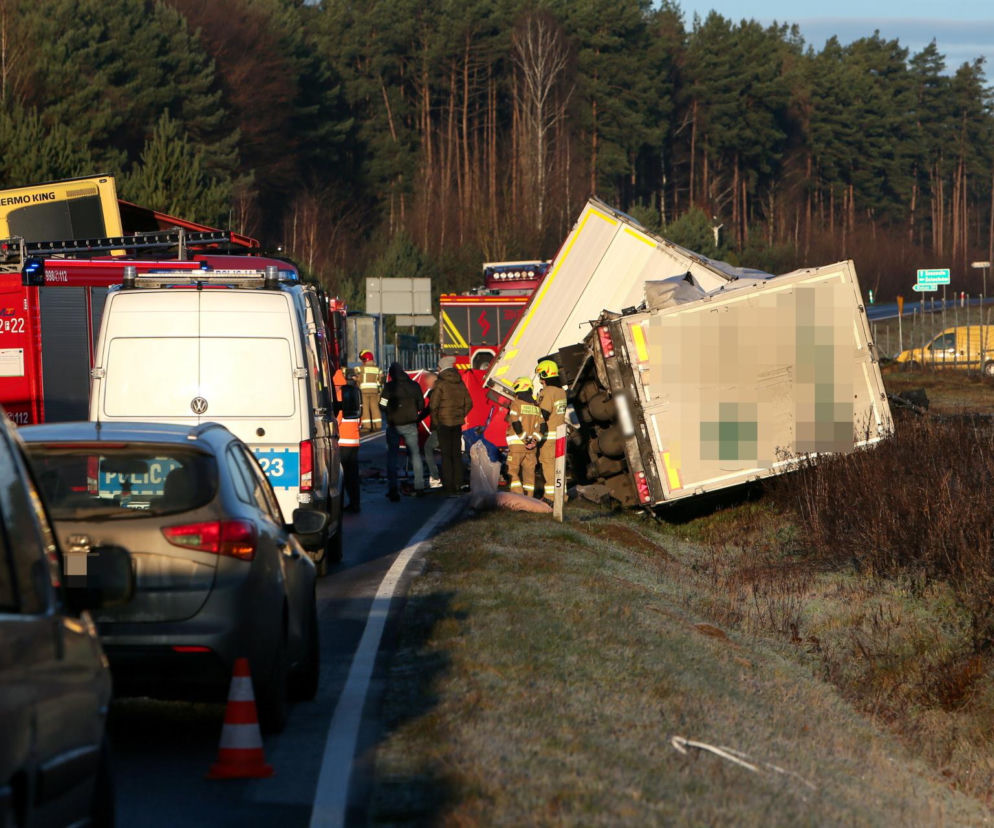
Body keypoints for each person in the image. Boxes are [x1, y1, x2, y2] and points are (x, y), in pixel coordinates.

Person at [380, 362, 426, 501]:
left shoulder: (389, 387)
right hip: (411, 424)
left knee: (392, 457)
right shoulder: (414, 385)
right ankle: (419, 486)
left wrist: (389, 413)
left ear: (392, 374)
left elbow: (382, 405)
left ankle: (393, 489)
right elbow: (421, 404)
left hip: (394, 425)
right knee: (415, 456)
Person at [429, 356, 473, 496]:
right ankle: (458, 484)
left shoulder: (440, 384)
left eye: (438, 367)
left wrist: (436, 422)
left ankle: (449, 487)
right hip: (457, 423)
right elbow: (469, 403)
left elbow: (433, 405)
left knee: (446, 455)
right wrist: (460, 415)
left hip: (443, 424)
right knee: (456, 455)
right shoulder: (460, 382)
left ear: (441, 368)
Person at [535, 358, 568, 504]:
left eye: (540, 376)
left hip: (548, 436)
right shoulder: (561, 392)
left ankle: (551, 498)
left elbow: (544, 414)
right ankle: (563, 496)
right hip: (560, 435)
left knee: (548, 466)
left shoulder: (548, 392)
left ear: (545, 375)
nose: (540, 380)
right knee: (559, 467)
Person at [505, 376, 543, 497]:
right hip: (532, 448)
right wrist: (534, 441)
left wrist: (525, 440)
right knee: (529, 474)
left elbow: (516, 424)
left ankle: (518, 496)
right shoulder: (537, 406)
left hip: (517, 445)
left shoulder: (516, 404)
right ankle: (529, 497)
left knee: (512, 471)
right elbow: (541, 426)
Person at [333, 367, 362, 513]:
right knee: (353, 475)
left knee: (343, 476)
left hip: (343, 441)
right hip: (354, 441)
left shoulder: (339, 396)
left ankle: (346, 504)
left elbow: (336, 420)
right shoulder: (352, 394)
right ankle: (355, 502)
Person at [418, 371, 442, 487]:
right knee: (449, 452)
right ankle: (451, 479)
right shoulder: (444, 388)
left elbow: (430, 408)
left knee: (428, 448)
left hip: (440, 426)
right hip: (451, 424)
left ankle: (435, 477)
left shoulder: (435, 392)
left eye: (427, 383)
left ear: (432, 380)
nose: (427, 386)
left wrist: (417, 419)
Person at [357, 350, 382, 433]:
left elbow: (358, 378)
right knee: (375, 408)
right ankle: (378, 425)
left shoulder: (360, 369)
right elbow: (381, 379)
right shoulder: (378, 369)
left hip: (364, 391)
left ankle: (367, 426)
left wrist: (356, 381)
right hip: (375, 391)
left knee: (365, 409)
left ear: (365, 360)